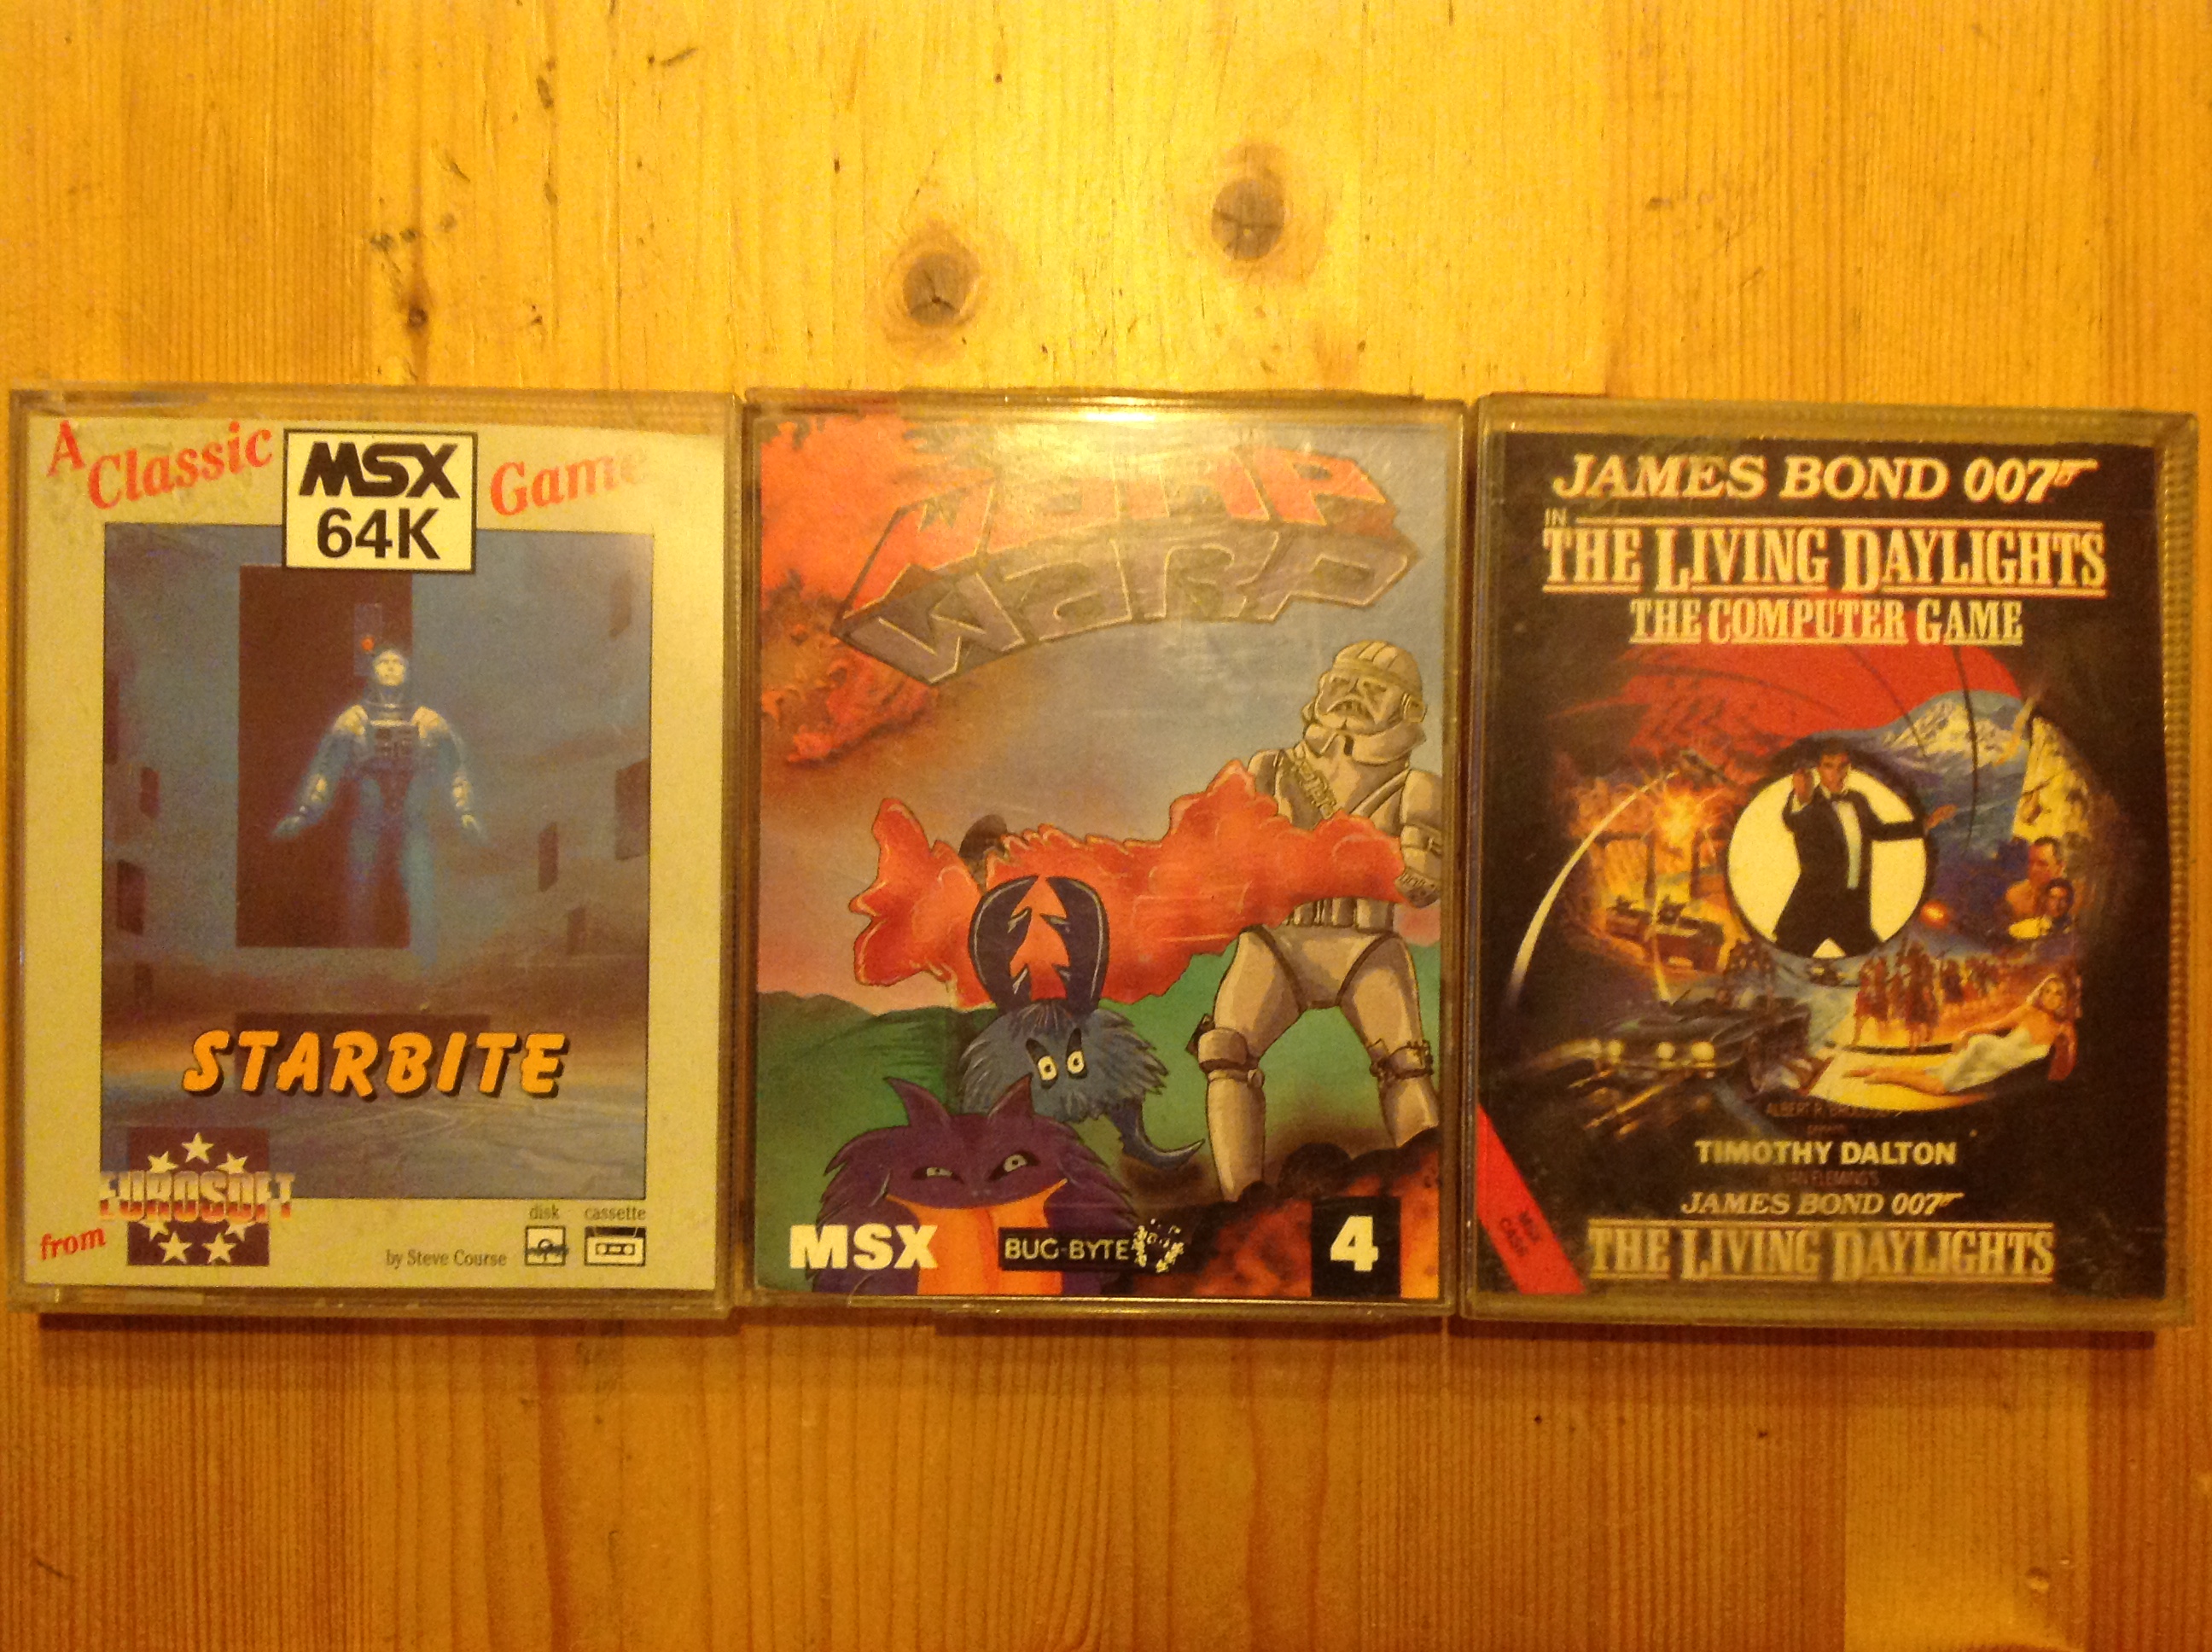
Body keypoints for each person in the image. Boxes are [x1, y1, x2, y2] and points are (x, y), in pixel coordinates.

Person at [1191, 641, 1442, 1200]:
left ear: (1407, 710)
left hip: (1367, 945)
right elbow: (1225, 856)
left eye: (1372, 689)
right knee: (1225, 1049)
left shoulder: (1418, 789)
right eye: (1342, 684)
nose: (1352, 698)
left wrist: (1393, 867)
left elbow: (1427, 885)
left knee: (1406, 1065)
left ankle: (1428, 1194)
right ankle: (1241, 1204)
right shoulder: (1269, 768)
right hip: (1278, 941)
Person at [273, 646, 485, 949]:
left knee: (422, 895)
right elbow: (326, 770)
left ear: (408, 673)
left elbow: (455, 769)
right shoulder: (353, 720)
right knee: (359, 898)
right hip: (368, 824)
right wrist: (304, 812)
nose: (390, 667)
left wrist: (465, 811)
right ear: (372, 672)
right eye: (383, 662)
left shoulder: (430, 721)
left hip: (413, 824)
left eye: (397, 663)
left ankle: (424, 961)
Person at [1772, 742, 1954, 957]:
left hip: (1851, 909)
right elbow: (1793, 820)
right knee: (1783, 964)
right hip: (1812, 910)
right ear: (1818, 770)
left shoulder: (1858, 800)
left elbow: (1880, 831)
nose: (1837, 773)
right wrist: (1802, 796)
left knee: (1876, 960)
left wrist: (1927, 823)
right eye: (1829, 766)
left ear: (1849, 768)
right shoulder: (1808, 803)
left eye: (1842, 766)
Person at [1848, 974, 2077, 1095]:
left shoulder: (2062, 1028)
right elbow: (1992, 1026)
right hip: (1983, 1052)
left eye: (2057, 993)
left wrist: (2070, 1038)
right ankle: (1885, 1076)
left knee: (1931, 1073)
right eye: (2047, 991)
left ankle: (1873, 1070)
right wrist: (1966, 1033)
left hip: (1991, 1069)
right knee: (1938, 1087)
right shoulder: (2027, 1012)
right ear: (2040, 994)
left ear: (2063, 1000)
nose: (2050, 997)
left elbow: (2069, 1063)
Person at [2004, 836, 2066, 922]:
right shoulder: (2015, 895)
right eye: (2031, 862)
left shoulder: (2070, 900)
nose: (2033, 869)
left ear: (2059, 868)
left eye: (2042, 864)